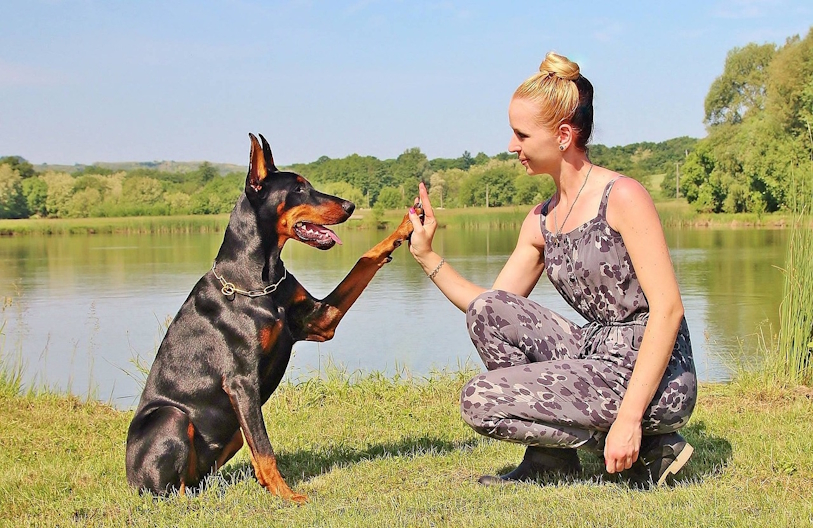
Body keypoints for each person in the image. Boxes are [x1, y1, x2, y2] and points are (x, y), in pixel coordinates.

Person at [406, 51, 697, 487]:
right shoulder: (541, 220)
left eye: (521, 134)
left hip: (655, 371)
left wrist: (629, 419)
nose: (510, 146)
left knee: (479, 400)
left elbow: (668, 309)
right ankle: (551, 460)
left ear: (563, 135)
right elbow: (490, 306)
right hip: (595, 353)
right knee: (488, 311)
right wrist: (428, 255)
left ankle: (644, 441)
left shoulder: (623, 196)